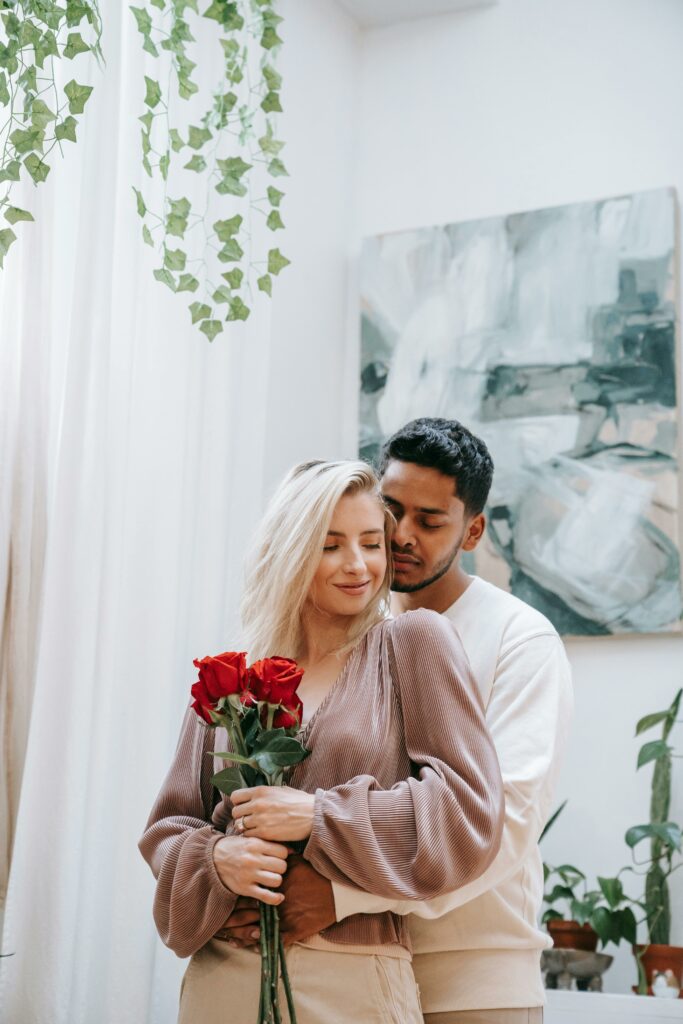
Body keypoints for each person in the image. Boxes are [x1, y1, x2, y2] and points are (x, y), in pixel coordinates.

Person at [226, 420, 573, 1024]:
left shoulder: (520, 639)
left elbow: (506, 821)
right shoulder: (350, 633)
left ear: (473, 530)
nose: (402, 535)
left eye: (430, 522)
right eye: (393, 511)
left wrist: (342, 895)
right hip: (357, 963)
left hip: (471, 972)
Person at [139, 459, 505, 1024]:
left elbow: (468, 811)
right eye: (330, 545)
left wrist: (317, 814)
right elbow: (169, 827)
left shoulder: (412, 643)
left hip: (350, 983)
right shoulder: (232, 673)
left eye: (370, 543)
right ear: (290, 549)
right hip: (223, 981)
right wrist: (217, 857)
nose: (358, 565)